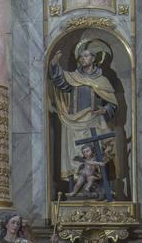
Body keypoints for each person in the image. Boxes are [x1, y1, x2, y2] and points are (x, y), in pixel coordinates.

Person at [49, 39, 126, 199]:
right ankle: (75, 189)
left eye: (86, 56)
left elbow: (113, 104)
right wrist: (55, 65)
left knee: (99, 153)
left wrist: (104, 109)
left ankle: (99, 189)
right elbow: (60, 82)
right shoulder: (73, 77)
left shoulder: (102, 81)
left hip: (94, 121)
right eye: (81, 57)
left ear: (93, 59)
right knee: (76, 156)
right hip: (74, 123)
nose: (83, 59)